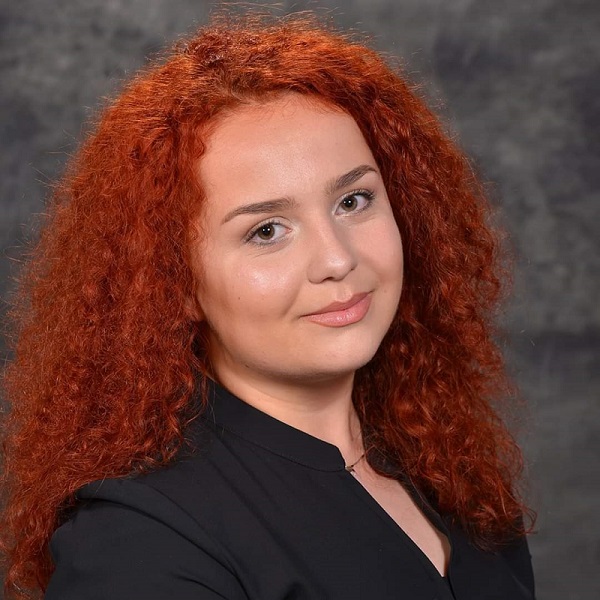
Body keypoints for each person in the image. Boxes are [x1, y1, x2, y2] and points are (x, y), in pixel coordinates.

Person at [0, 11, 536, 600]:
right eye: (266, 231)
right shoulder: (138, 544)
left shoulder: (445, 465)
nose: (337, 259)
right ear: (177, 283)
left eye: (354, 200)